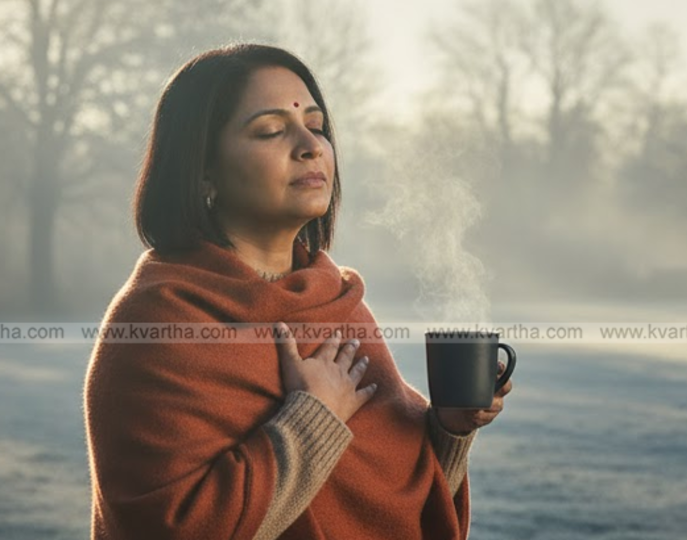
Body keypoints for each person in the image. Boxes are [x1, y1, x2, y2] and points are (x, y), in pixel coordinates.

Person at [83, 43, 512, 540]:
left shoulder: (337, 306)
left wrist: (450, 429)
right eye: (271, 130)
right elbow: (171, 527)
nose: (311, 145)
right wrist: (314, 419)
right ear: (202, 172)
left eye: (317, 125)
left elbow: (397, 495)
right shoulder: (159, 324)